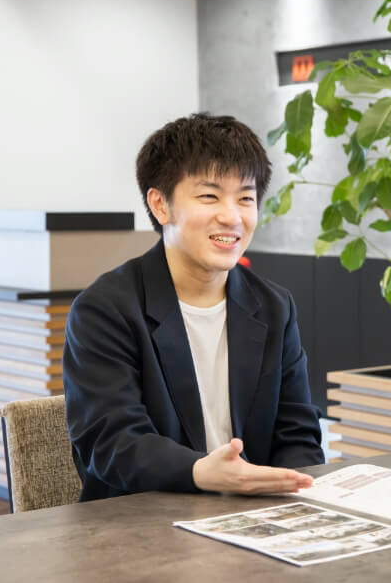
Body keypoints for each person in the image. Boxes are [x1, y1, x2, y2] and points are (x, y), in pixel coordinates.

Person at [62, 113, 324, 501]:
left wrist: (291, 491)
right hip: (138, 528)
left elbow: (298, 435)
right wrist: (201, 472)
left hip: (254, 521)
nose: (232, 216)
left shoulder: (273, 306)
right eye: (209, 196)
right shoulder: (105, 309)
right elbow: (112, 443)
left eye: (246, 198)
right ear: (160, 204)